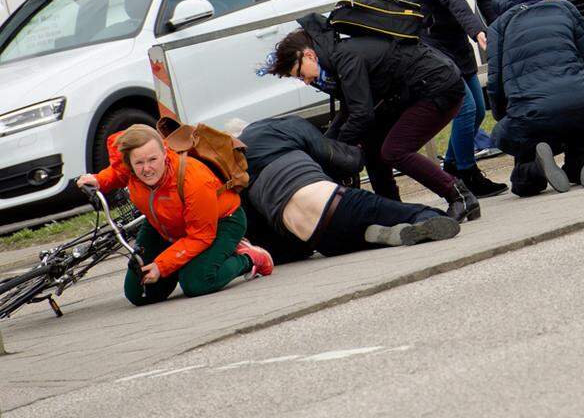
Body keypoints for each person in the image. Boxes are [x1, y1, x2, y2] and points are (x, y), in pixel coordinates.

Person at [267, 16, 480, 221]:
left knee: (395, 151)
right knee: (373, 148)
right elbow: (352, 108)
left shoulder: (345, 58)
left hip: (438, 88)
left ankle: (460, 196)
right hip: (415, 90)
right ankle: (394, 212)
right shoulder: (335, 59)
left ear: (309, 55)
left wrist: (335, 148)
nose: (305, 81)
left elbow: (361, 114)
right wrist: (327, 144)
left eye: (300, 74)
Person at [75, 124, 272, 306]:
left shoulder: (194, 180)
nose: (147, 169)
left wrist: (161, 266)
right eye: (139, 162)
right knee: (139, 293)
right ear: (130, 162)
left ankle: (249, 257)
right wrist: (98, 180)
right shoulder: (131, 168)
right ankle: (187, 261)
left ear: (165, 152)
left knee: (196, 282)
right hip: (166, 225)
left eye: (153, 159)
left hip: (220, 222)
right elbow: (118, 173)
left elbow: (201, 235)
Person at [232, 116, 461, 262]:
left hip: (321, 241)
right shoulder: (279, 128)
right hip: (338, 203)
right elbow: (344, 160)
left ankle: (372, 236)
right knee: (425, 213)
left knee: (353, 231)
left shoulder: (236, 176)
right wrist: (359, 151)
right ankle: (422, 222)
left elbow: (269, 243)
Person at [406, 0, 508, 198]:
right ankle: (466, 173)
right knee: (462, 110)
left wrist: (504, 26)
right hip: (425, 39)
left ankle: (451, 167)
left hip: (451, 35)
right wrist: (477, 31)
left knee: (477, 111)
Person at [486, 0, 584, 196]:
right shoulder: (566, 10)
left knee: (522, 182)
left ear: (500, 2)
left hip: (533, 113)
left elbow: (495, 84)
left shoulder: (498, 27)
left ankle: (536, 167)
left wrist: (504, 115)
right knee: (580, 123)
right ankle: (583, 158)